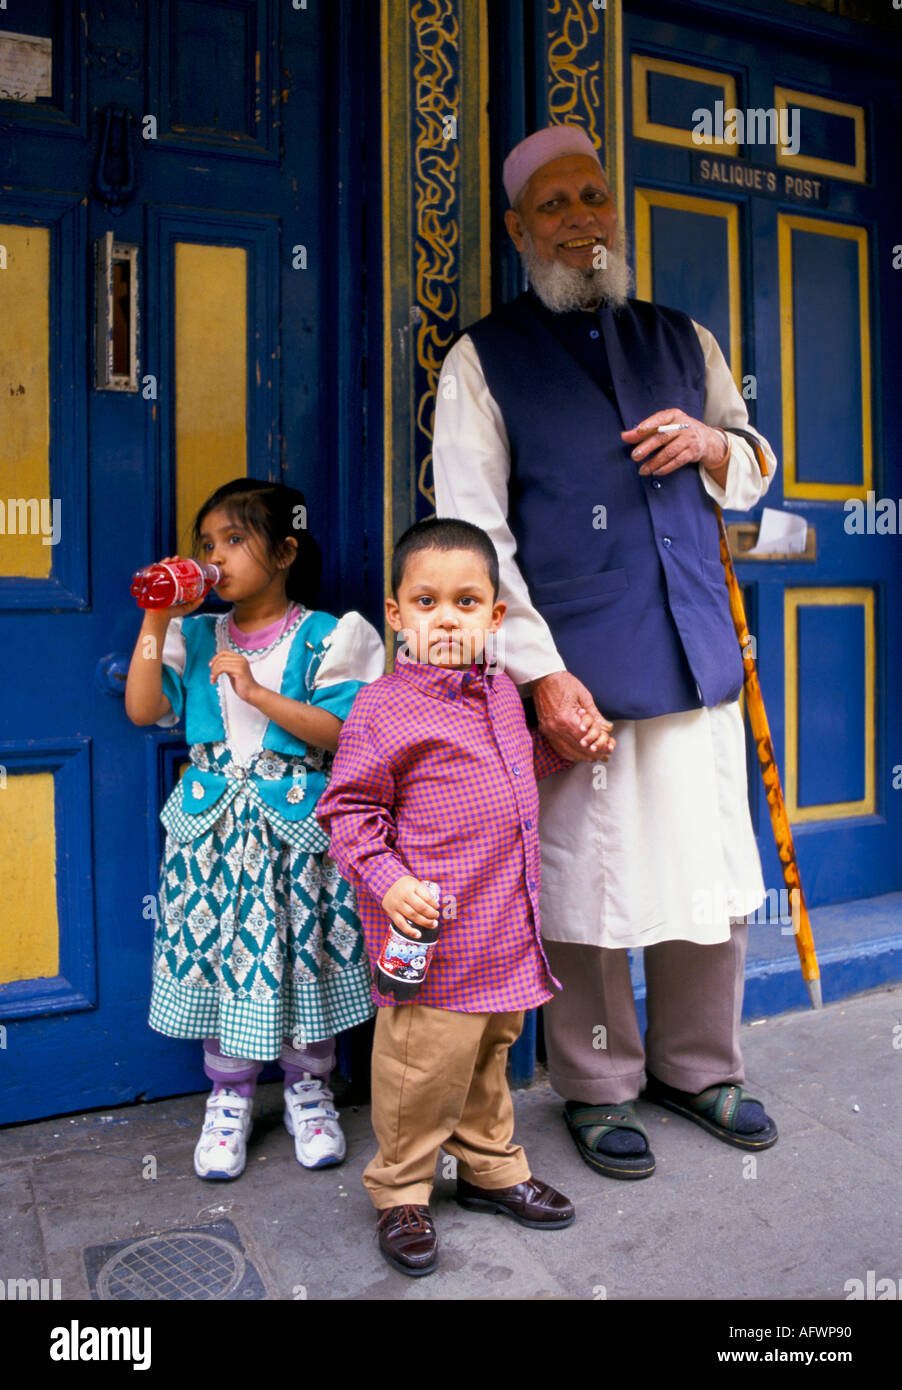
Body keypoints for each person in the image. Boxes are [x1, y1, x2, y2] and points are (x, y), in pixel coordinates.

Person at [432, 124, 780, 1182]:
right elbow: (469, 534)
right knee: (585, 886)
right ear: (515, 230)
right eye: (553, 205)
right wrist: (537, 672)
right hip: (575, 667)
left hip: (693, 652)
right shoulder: (483, 358)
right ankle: (594, 1083)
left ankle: (697, 1065)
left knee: (702, 869)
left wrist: (715, 446)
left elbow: (753, 465)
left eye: (592, 196)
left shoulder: (686, 339)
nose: (581, 218)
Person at [316, 518, 602, 1275]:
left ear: (495, 617)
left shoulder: (504, 693)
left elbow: (511, 767)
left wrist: (565, 745)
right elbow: (347, 813)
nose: (446, 618)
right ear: (398, 613)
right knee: (420, 1070)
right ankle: (402, 1189)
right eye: (427, 601)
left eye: (467, 602)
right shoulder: (382, 709)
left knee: (487, 1060)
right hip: (433, 940)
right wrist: (390, 881)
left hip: (505, 928)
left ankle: (490, 1168)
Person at [125, 479, 384, 1179]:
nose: (217, 557)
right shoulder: (197, 632)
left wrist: (258, 692)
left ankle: (308, 1087)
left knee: (301, 958)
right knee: (223, 958)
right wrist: (156, 620)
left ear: (286, 551)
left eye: (234, 541)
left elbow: (341, 730)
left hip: (294, 836)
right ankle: (230, 1096)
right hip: (211, 836)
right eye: (207, 545)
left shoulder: (330, 635)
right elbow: (144, 708)